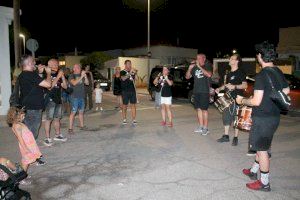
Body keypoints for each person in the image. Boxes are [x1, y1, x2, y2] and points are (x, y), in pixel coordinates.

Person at [236, 41, 290, 191]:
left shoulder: (261, 75)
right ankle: (253, 171)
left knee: (262, 150)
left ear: (260, 56)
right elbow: (286, 90)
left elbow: (256, 101)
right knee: (262, 146)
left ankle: (264, 182)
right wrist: (270, 98)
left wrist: (242, 100)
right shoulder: (278, 71)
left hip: (263, 119)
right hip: (274, 117)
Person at [215, 54, 247, 146]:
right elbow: (227, 84)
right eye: (230, 58)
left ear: (237, 61)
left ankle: (235, 137)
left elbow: (245, 85)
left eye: (232, 58)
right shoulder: (229, 73)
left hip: (237, 98)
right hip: (227, 98)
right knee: (226, 116)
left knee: (236, 118)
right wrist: (219, 88)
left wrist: (235, 86)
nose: (230, 59)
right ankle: (226, 136)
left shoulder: (240, 72)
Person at [18, 55, 52, 139]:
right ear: (29, 63)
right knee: (33, 131)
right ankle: (31, 150)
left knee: (28, 130)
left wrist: (40, 73)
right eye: (33, 61)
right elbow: (48, 85)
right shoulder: (31, 74)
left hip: (27, 106)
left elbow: (36, 84)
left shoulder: (23, 75)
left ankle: (28, 149)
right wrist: (48, 73)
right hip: (34, 108)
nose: (35, 63)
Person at [6, 107, 45, 173]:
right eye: (22, 116)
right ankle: (21, 177)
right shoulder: (17, 126)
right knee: (25, 162)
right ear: (16, 116)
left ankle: (23, 173)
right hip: (26, 145)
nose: (24, 117)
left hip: (29, 144)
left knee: (27, 160)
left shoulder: (19, 124)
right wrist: (25, 149)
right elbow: (20, 139)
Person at [186, 54, 213, 135]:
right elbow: (187, 77)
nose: (197, 60)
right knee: (198, 109)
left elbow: (209, 74)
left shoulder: (207, 65)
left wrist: (199, 66)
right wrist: (189, 68)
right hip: (196, 91)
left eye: (199, 58)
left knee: (204, 110)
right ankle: (201, 126)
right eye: (196, 58)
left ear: (204, 59)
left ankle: (205, 128)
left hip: (204, 91)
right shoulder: (194, 67)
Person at [43, 59, 68, 146]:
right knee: (49, 119)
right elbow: (49, 87)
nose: (57, 66)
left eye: (57, 64)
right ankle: (47, 138)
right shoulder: (46, 74)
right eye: (55, 64)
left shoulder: (59, 74)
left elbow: (65, 86)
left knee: (57, 118)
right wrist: (58, 77)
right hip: (50, 99)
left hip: (58, 99)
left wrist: (62, 76)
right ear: (50, 65)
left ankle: (57, 135)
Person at [68, 64, 89, 134]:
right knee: (73, 113)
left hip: (81, 97)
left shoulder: (82, 76)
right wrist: (82, 76)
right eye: (76, 67)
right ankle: (70, 129)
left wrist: (85, 77)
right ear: (73, 69)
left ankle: (82, 126)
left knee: (81, 112)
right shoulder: (71, 76)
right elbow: (74, 83)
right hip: (74, 97)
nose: (78, 69)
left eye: (79, 67)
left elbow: (87, 83)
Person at [120, 60, 137, 125]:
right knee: (125, 105)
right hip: (125, 91)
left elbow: (135, 80)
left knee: (133, 105)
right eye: (128, 64)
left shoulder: (132, 72)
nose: (130, 65)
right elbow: (123, 78)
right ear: (125, 64)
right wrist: (129, 73)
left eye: (130, 64)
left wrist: (135, 73)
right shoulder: (122, 72)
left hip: (132, 91)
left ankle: (134, 119)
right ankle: (124, 119)